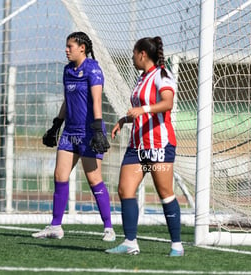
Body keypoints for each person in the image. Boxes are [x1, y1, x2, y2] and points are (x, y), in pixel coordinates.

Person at [32, 31, 115, 241]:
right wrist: (56, 125)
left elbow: (96, 101)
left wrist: (97, 130)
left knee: (94, 179)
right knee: (60, 176)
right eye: (66, 46)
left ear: (82, 48)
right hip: (69, 132)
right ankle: (55, 226)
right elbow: (67, 101)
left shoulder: (93, 69)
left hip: (89, 132)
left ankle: (109, 228)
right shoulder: (67, 70)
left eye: (70, 46)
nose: (66, 50)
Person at [105, 37, 184, 256]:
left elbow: (167, 103)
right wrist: (124, 120)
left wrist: (144, 109)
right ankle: (130, 242)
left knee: (165, 192)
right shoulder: (141, 79)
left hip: (159, 144)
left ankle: (177, 245)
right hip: (137, 145)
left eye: (133, 53)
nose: (131, 57)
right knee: (124, 190)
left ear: (142, 54)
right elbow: (139, 111)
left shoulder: (161, 75)